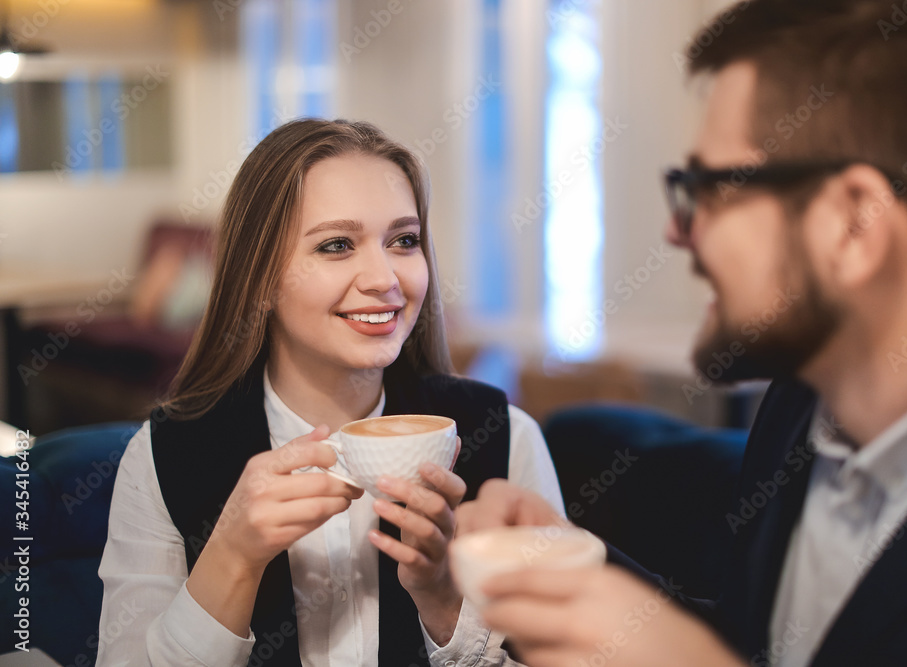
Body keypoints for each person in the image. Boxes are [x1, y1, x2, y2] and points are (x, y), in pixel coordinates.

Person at [455, 0, 907, 665]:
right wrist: (578, 567)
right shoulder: (799, 406)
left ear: (854, 223)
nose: (676, 229)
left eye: (708, 187)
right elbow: (765, 644)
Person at [96, 119, 565, 667]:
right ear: (260, 276)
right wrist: (232, 557)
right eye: (337, 245)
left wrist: (444, 602)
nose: (384, 277)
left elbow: (570, 653)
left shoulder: (506, 436)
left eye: (404, 240)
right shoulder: (161, 456)